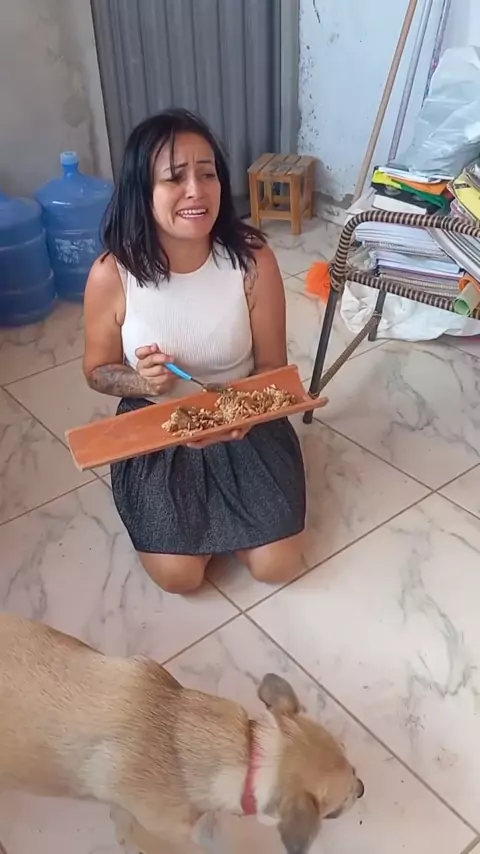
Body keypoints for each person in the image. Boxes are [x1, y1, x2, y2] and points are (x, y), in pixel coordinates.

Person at [83, 108, 306, 594]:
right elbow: (97, 370)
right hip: (158, 425)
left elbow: (272, 367)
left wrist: (243, 413)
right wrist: (141, 381)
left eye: (207, 174)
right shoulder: (112, 274)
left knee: (276, 565)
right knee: (180, 577)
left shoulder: (252, 260)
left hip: (243, 417)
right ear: (142, 191)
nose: (196, 191)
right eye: (174, 177)